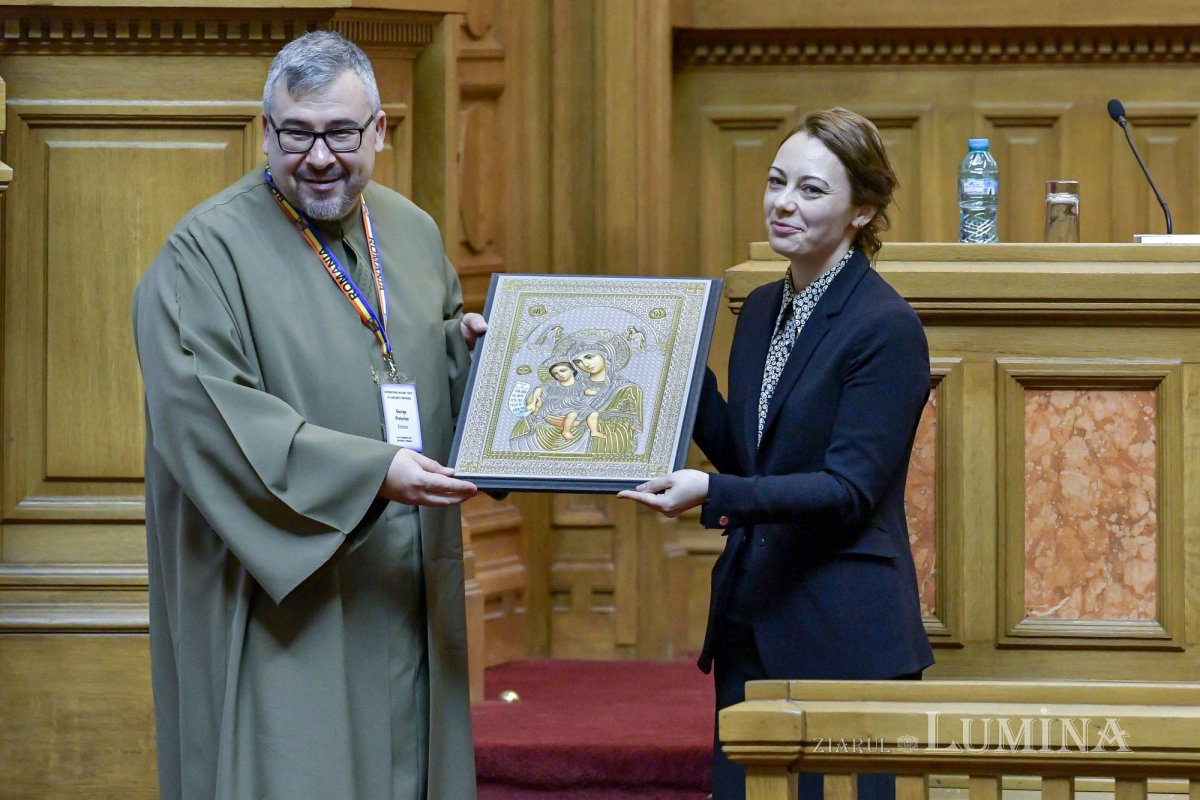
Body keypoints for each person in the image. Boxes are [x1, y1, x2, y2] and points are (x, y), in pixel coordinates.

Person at [133, 31, 486, 800]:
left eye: (340, 133)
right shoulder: (204, 253)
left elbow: (429, 376)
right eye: (296, 133)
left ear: (380, 131)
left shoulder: (414, 233)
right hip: (288, 600)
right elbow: (207, 420)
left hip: (407, 585)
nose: (319, 157)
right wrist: (370, 472)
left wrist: (486, 366)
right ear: (266, 132)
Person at [620, 108, 933, 800]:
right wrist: (667, 365)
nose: (783, 203)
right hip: (752, 618)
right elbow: (752, 455)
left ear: (863, 210)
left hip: (843, 636)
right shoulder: (760, 306)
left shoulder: (886, 326)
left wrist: (712, 493)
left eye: (812, 190)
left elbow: (847, 490)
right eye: (775, 181)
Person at [564, 330, 644, 455]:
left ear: (606, 356)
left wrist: (582, 423)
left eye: (589, 357)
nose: (584, 364)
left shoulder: (626, 388)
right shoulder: (575, 387)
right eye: (578, 362)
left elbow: (624, 428)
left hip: (594, 440)